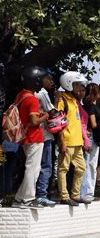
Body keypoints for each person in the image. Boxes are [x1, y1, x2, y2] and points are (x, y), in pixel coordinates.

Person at [10, 66, 50, 208]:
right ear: (36, 81)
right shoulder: (32, 99)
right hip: (34, 137)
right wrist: (45, 116)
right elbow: (34, 121)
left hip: (25, 137)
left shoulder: (21, 95)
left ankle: (19, 198)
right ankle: (28, 199)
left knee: (30, 168)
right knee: (33, 169)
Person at [56, 71, 89, 206]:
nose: (80, 88)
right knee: (63, 169)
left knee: (81, 168)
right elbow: (58, 122)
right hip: (68, 142)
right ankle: (64, 196)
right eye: (77, 85)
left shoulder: (74, 101)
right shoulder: (62, 100)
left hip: (77, 142)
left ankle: (75, 194)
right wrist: (62, 142)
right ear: (69, 85)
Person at [33, 72, 58, 207]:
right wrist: (57, 101)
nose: (51, 82)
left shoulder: (31, 92)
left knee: (36, 165)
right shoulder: (42, 93)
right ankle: (41, 195)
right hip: (44, 135)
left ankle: (34, 194)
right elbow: (53, 111)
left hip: (35, 135)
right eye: (49, 79)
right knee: (46, 165)